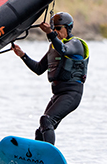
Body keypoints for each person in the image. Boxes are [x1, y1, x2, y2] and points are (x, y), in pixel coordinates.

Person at [12, 12, 89, 145]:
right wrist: (22, 55)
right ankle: (36, 158)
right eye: (54, 29)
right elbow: (38, 69)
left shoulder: (76, 44)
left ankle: (48, 154)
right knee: (40, 130)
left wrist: (49, 33)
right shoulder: (53, 47)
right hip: (58, 94)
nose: (56, 32)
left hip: (71, 94)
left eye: (59, 28)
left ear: (68, 28)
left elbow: (64, 49)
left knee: (46, 120)